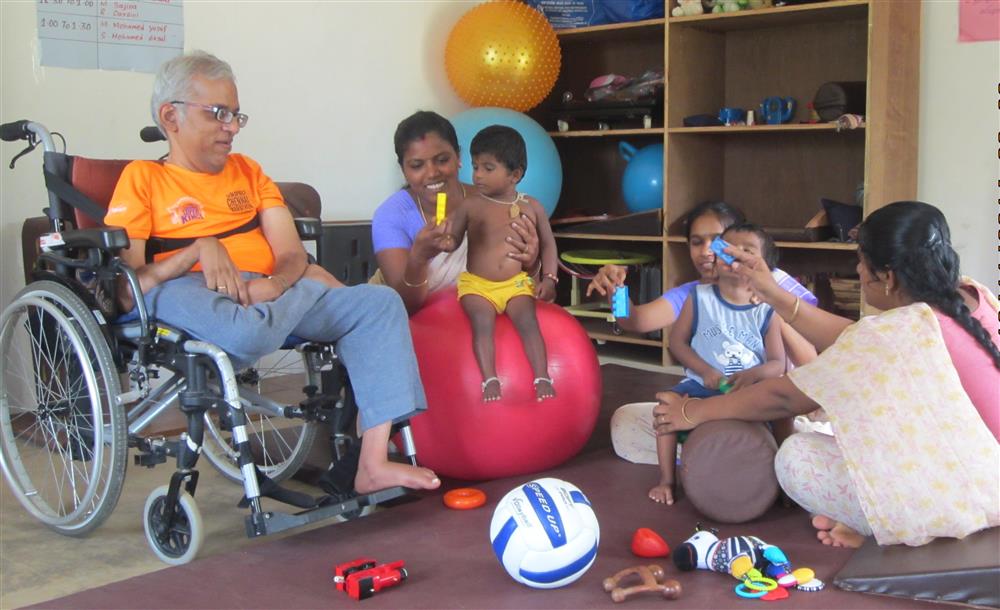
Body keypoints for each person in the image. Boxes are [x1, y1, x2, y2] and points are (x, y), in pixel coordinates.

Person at [104, 51, 440, 496]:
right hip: (188, 289)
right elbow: (129, 289)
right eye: (219, 113)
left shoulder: (249, 172)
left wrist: (279, 283)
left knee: (378, 304)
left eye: (236, 115)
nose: (231, 127)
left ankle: (373, 462)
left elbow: (289, 252)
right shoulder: (142, 178)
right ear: (171, 116)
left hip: (271, 294)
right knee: (246, 332)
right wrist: (198, 252)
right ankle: (303, 291)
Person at [654, 201, 1000, 548]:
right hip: (981, 471)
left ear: (889, 277)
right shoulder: (972, 295)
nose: (858, 271)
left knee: (795, 458)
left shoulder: (895, 334)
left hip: (967, 495)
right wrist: (772, 290)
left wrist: (691, 412)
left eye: (861, 262)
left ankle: (888, 524)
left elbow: (784, 396)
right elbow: (855, 338)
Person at [590, 201, 815, 465]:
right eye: (697, 242)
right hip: (707, 401)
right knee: (625, 422)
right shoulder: (694, 295)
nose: (707, 251)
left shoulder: (776, 284)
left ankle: (729, 455)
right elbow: (635, 321)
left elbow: (811, 363)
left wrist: (773, 300)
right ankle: (732, 455)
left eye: (718, 241)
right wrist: (618, 292)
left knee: (811, 433)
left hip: (773, 403)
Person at [649, 224, 786, 505]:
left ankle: (786, 484)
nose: (733, 257)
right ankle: (666, 481)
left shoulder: (768, 309)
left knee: (785, 413)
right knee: (664, 410)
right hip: (703, 386)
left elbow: (778, 363)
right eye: (726, 249)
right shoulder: (699, 298)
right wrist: (705, 371)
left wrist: (753, 375)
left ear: (763, 268)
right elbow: (677, 343)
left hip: (750, 392)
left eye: (746, 251)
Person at [371, 111, 540, 313]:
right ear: (403, 169)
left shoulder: (494, 201)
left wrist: (531, 264)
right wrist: (418, 258)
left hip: (481, 318)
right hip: (404, 324)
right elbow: (405, 306)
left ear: (458, 157)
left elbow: (530, 289)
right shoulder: (391, 215)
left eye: (442, 160)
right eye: (417, 165)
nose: (432, 173)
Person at [438, 125, 559, 402]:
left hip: (515, 284)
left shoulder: (532, 206)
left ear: (515, 175)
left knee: (528, 321)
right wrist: (441, 241)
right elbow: (452, 241)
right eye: (475, 165)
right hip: (478, 285)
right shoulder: (470, 206)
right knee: (482, 321)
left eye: (488, 168)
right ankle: (490, 379)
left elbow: (549, 244)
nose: (477, 174)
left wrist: (550, 279)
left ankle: (542, 376)